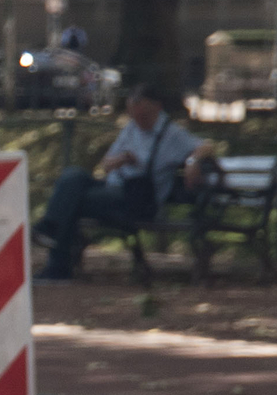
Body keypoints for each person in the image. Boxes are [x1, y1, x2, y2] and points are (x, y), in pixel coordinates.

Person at [34, 83, 215, 281]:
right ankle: (51, 233)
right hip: (114, 188)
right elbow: (106, 165)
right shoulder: (132, 129)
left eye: (142, 115)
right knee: (72, 176)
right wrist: (122, 159)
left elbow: (206, 146)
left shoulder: (172, 134)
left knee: (75, 200)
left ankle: (56, 259)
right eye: (133, 115)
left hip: (139, 200)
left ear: (156, 108)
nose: (138, 121)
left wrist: (192, 161)